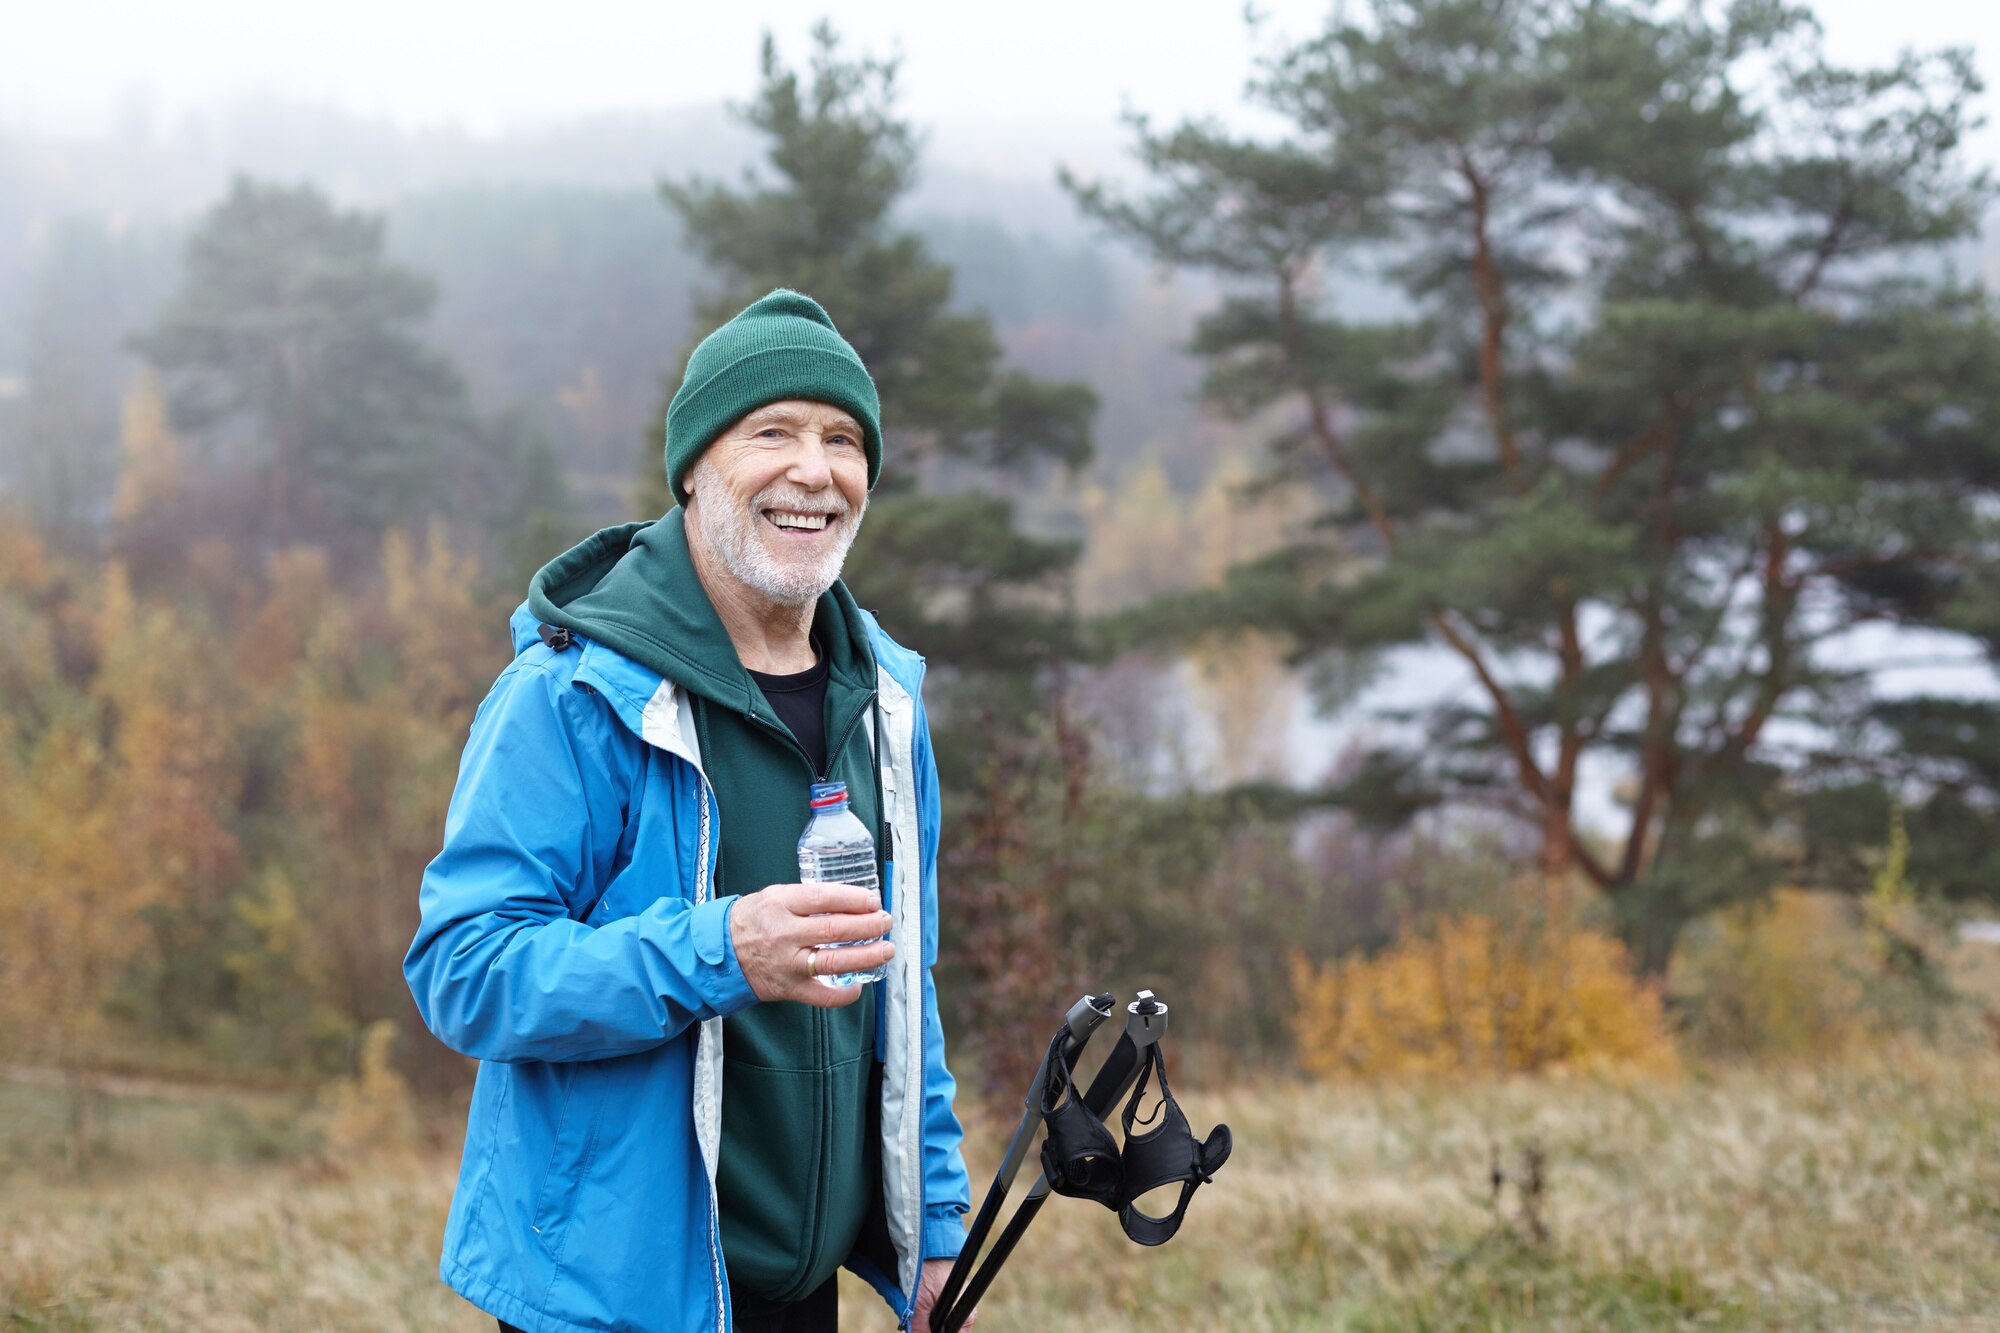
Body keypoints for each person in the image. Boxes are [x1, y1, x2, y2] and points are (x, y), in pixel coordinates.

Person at [405, 290, 976, 1333]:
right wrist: (720, 949)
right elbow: (463, 969)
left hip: (798, 1292)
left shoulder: (884, 703)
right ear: (693, 468)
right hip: (606, 1298)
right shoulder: (574, 694)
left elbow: (907, 982)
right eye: (773, 431)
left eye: (843, 439)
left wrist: (931, 1226)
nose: (815, 468)